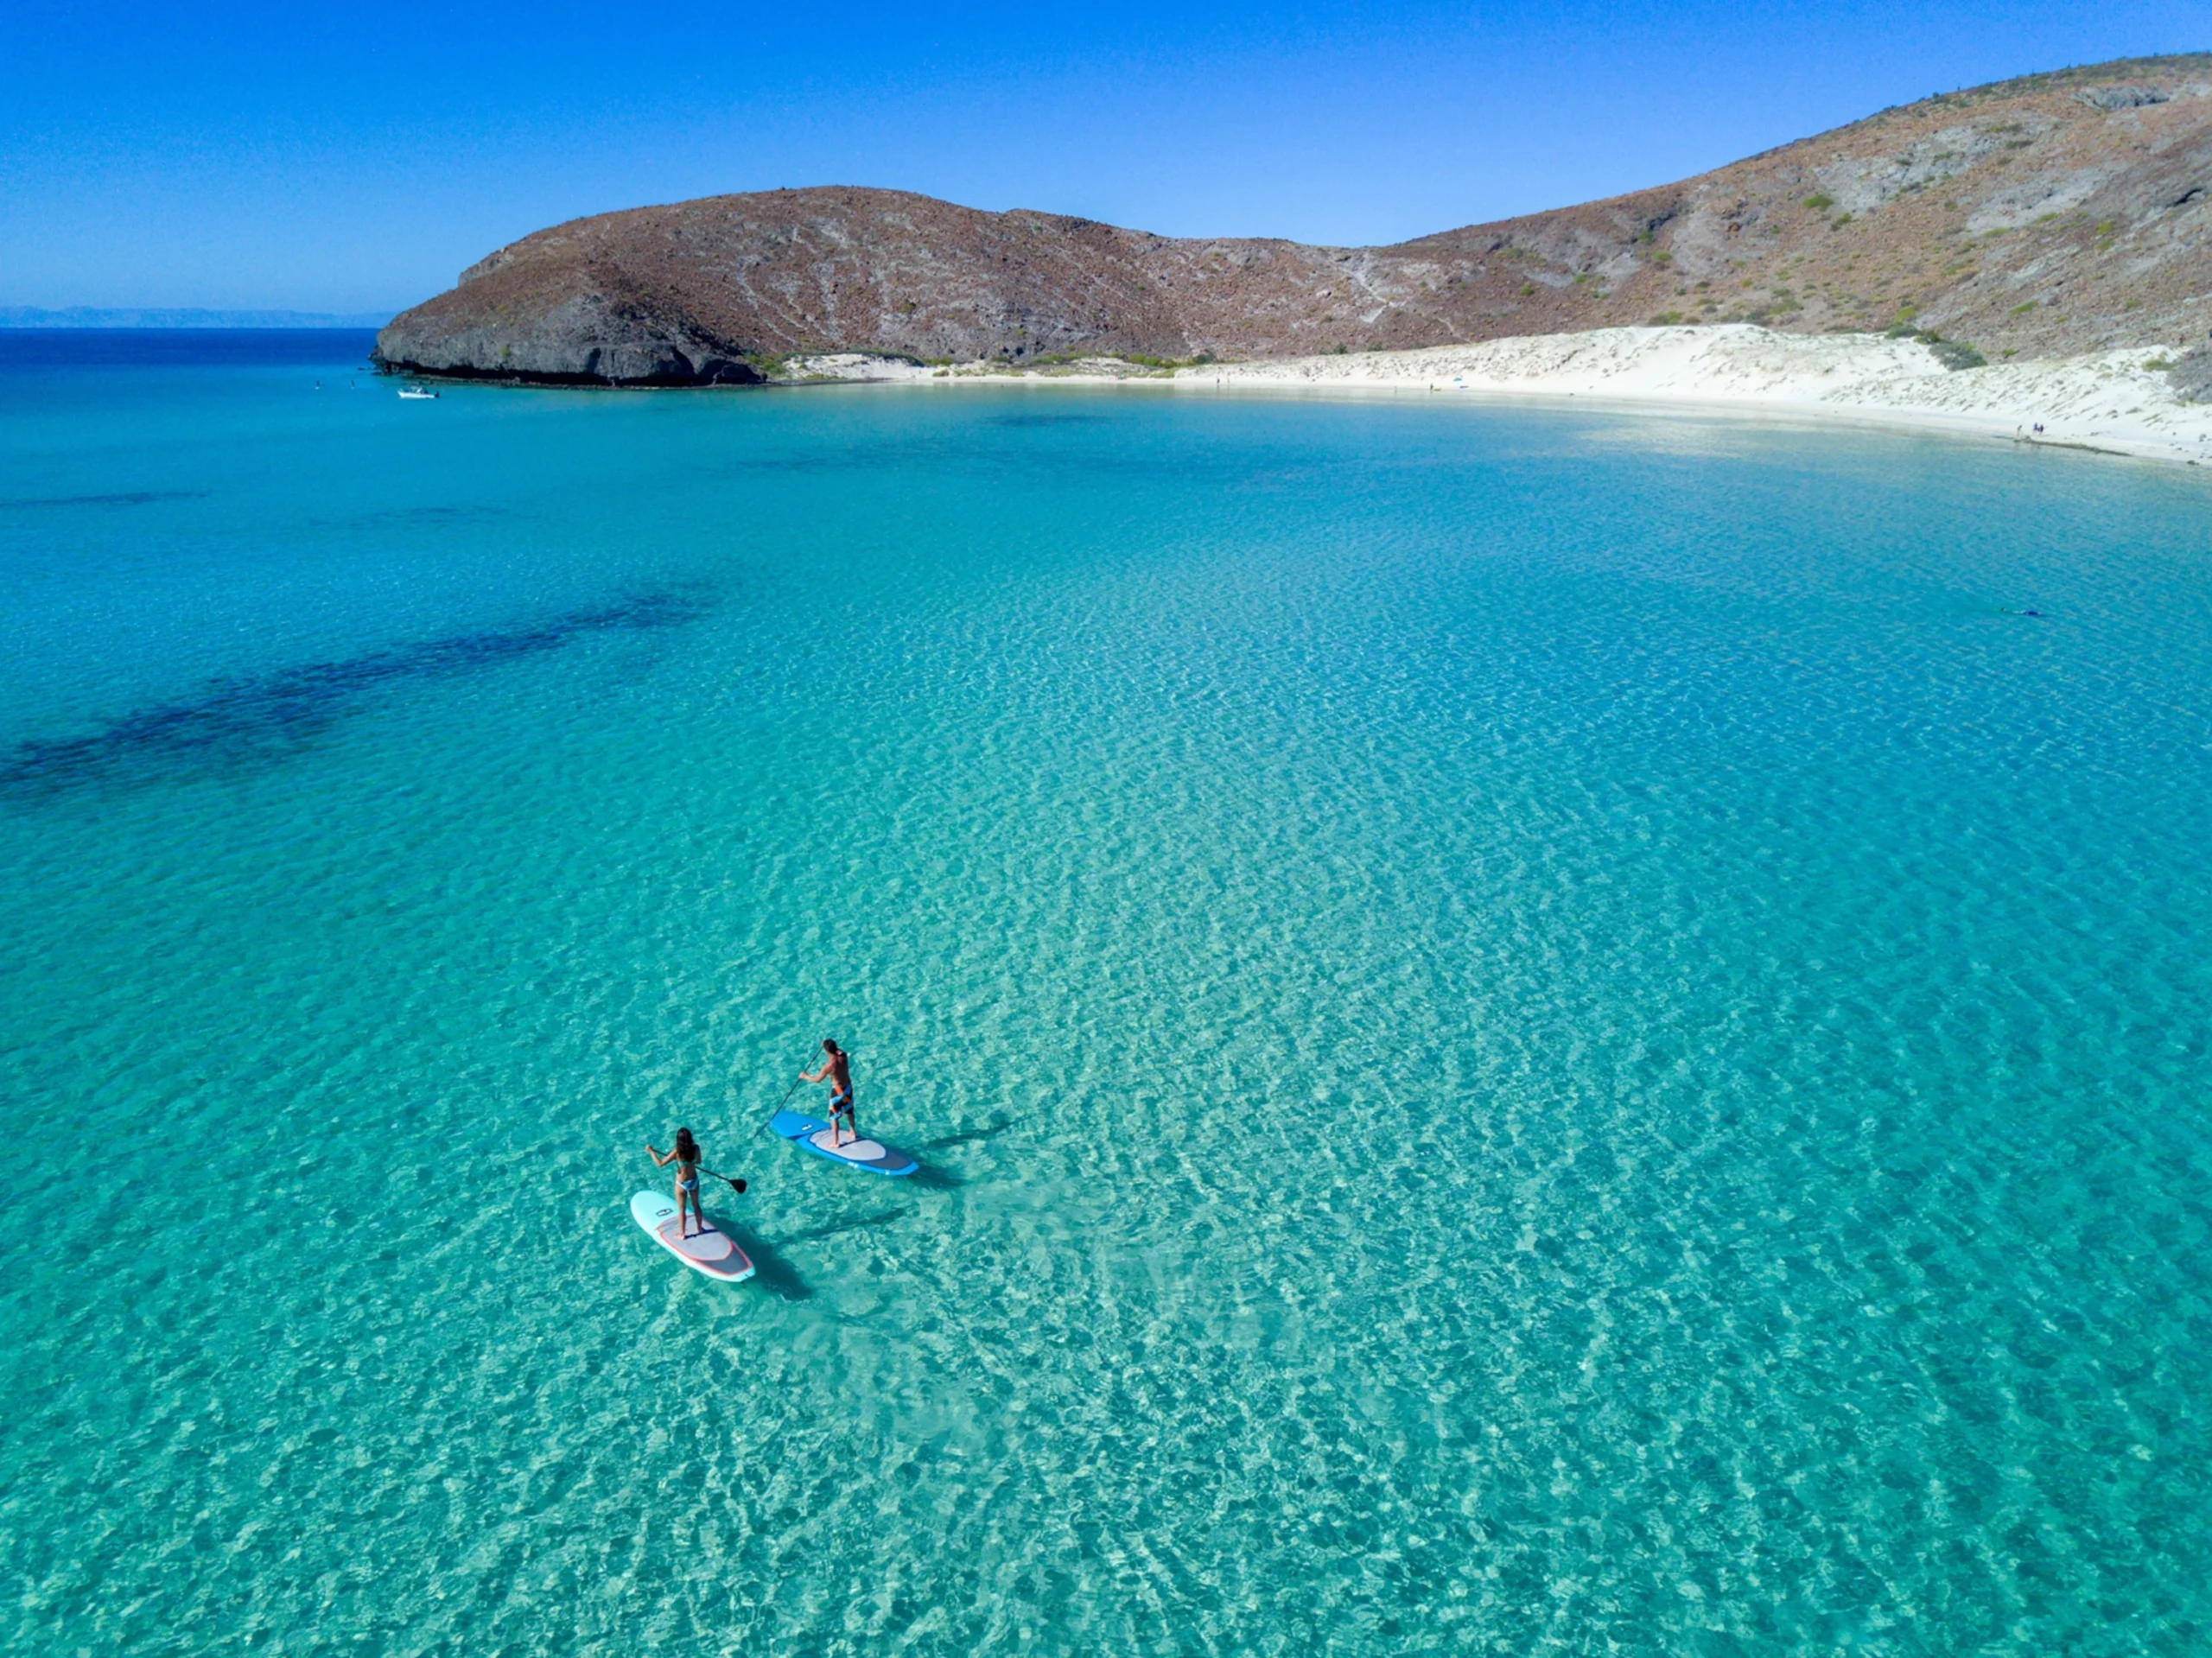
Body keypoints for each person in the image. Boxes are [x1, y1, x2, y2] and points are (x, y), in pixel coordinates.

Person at [647, 1127, 710, 1238]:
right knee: (696, 1206)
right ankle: (700, 1229)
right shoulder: (696, 1148)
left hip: (681, 1184)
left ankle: (682, 1234)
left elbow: (660, 1164)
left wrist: (651, 1152)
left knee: (682, 1209)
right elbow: (699, 1161)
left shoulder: (677, 1152)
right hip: (694, 1181)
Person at [801, 1038, 857, 1147]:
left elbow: (817, 1080)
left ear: (826, 1051)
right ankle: (852, 1132)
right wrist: (828, 1045)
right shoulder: (843, 1056)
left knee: (834, 1117)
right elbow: (838, 1050)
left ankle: (836, 1142)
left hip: (837, 1093)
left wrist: (805, 1076)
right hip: (848, 1089)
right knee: (849, 1111)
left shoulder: (829, 1066)